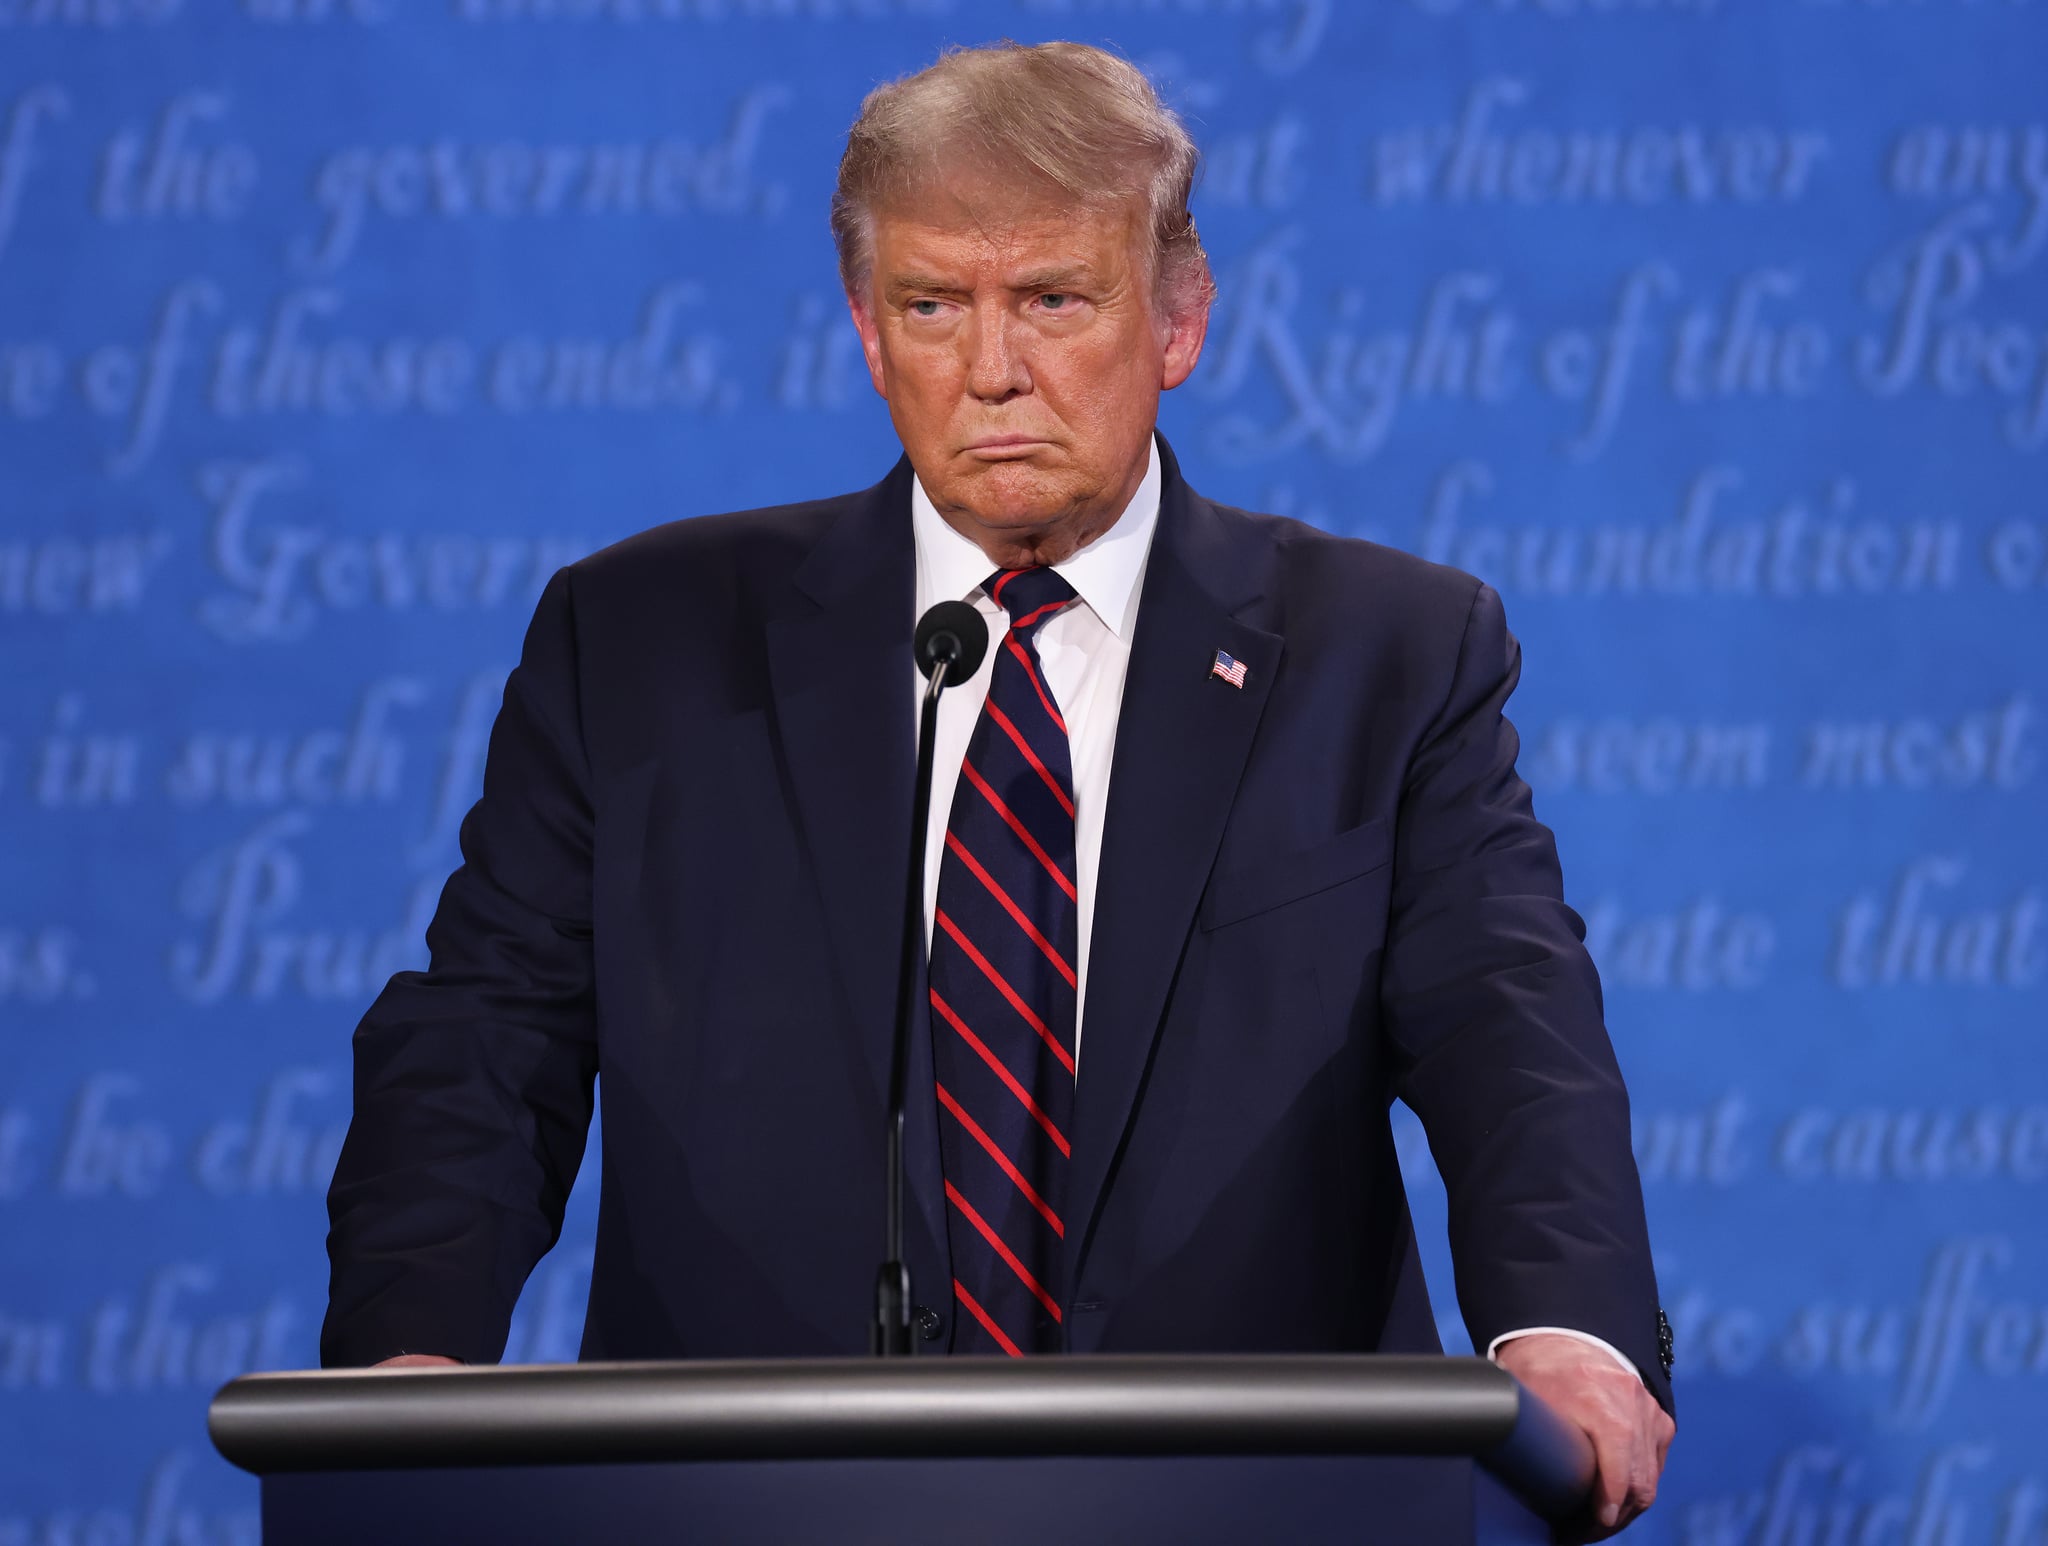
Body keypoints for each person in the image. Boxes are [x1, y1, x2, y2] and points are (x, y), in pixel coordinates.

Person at [322, 40, 1675, 1534]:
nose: (991, 370)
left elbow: (1512, 1029)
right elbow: (484, 1035)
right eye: (931, 305)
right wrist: (409, 1354)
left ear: (1179, 319)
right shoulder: (640, 642)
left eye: (1053, 298)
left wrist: (1564, 1330)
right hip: (750, 1508)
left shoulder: (1383, 657)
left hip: (1253, 1505)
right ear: (863, 327)